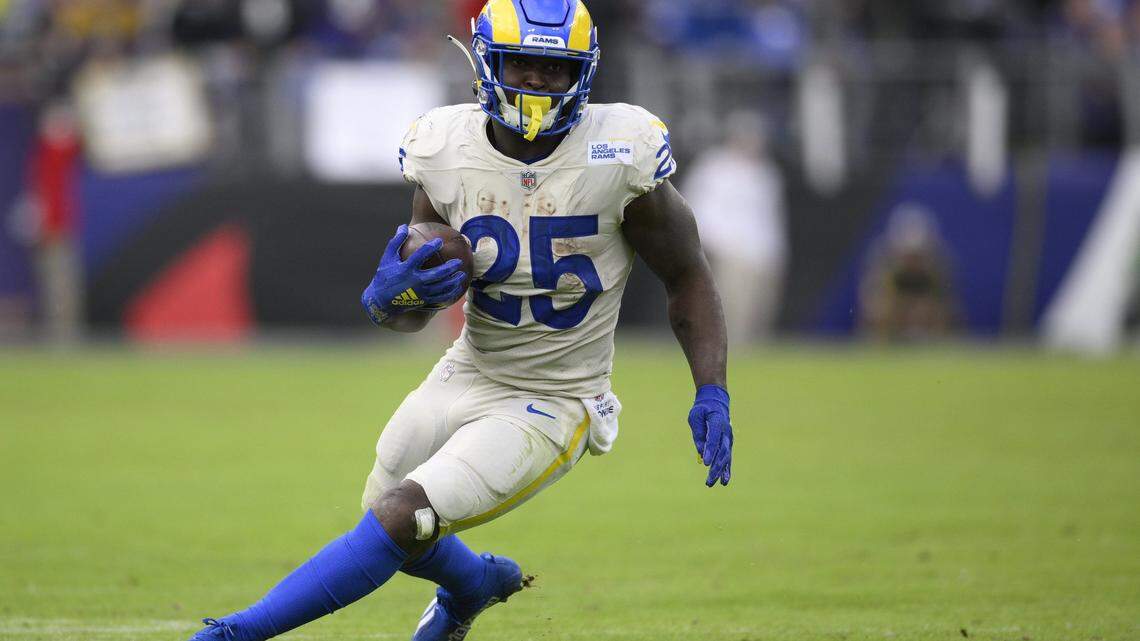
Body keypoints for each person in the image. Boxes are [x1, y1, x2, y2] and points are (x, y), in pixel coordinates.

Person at [188, 2, 733, 640]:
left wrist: (711, 387)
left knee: (398, 519)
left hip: (555, 397)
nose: (535, 83)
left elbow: (688, 276)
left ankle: (235, 634)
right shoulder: (446, 148)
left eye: (554, 70)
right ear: (486, 65)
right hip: (468, 369)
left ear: (584, 73)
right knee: (385, 519)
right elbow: (412, 315)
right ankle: (474, 584)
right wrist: (388, 297)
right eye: (521, 65)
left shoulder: (620, 153)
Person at [682, 110, 787, 345]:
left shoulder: (766, 174)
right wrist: (716, 246)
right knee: (731, 310)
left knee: (759, 314)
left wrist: (776, 253)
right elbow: (695, 208)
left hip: (762, 254)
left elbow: (770, 218)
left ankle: (753, 361)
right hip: (730, 253)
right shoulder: (714, 167)